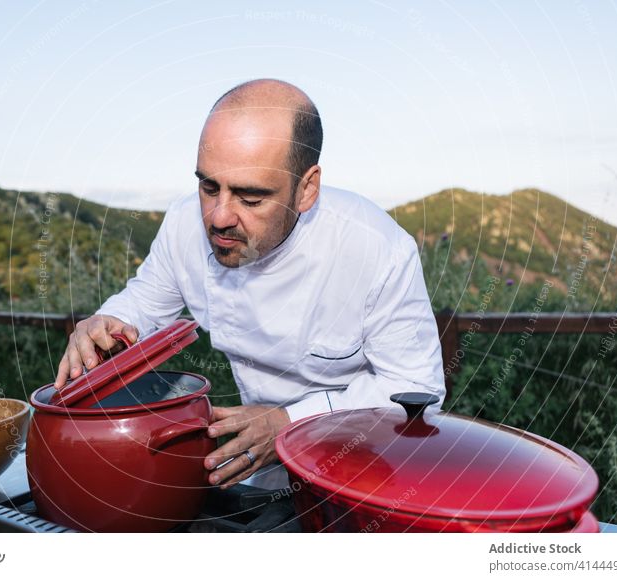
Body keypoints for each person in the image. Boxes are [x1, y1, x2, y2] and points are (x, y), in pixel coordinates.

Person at [54, 79, 445, 489]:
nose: (219, 217)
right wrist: (108, 322)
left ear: (306, 188)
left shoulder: (378, 249)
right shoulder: (184, 225)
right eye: (208, 186)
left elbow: (415, 389)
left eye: (251, 197)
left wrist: (288, 424)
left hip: (365, 461)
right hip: (256, 459)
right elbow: (144, 302)